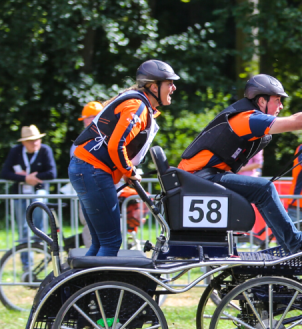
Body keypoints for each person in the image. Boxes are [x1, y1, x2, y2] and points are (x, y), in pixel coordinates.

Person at [178, 74, 302, 254]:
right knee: (264, 189)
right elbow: (300, 120)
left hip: (199, 178)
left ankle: (291, 247)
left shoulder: (248, 118)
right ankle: (297, 246)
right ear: (261, 101)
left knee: (262, 190)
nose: (281, 106)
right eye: (278, 100)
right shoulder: (247, 119)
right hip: (196, 179)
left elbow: (300, 117)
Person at [69, 59, 179, 256]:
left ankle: (87, 286)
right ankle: (102, 287)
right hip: (92, 170)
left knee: (99, 243)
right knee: (111, 243)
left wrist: (125, 171)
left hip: (86, 168)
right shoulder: (137, 106)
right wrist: (129, 171)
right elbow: (116, 145)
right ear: (154, 87)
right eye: (169, 83)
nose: (174, 87)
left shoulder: (139, 104)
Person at [1, 125, 57, 276]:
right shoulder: (16, 151)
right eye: (31, 140)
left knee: (37, 206)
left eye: (37, 139)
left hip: (38, 191)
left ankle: (39, 241)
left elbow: (52, 173)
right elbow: (5, 172)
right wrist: (24, 178)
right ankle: (27, 265)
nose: (35, 143)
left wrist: (35, 178)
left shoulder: (45, 150)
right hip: (20, 194)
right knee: (23, 228)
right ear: (24, 142)